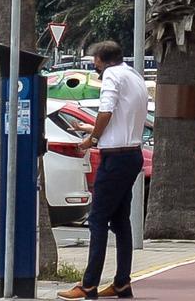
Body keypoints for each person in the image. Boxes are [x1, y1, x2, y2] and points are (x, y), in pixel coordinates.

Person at [58, 41, 148, 300]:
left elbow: (107, 110)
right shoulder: (133, 75)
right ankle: (122, 283)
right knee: (120, 221)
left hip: (116, 158)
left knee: (97, 219)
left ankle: (89, 284)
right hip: (132, 154)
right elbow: (122, 117)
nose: (93, 66)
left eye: (94, 61)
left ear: (103, 59)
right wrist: (91, 129)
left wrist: (92, 140)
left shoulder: (110, 75)